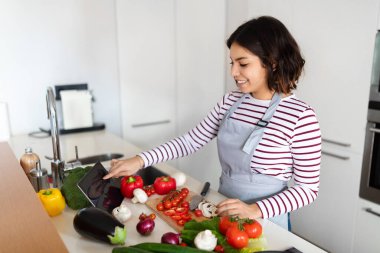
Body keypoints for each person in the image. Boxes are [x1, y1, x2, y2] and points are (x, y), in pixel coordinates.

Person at [103, 16, 321, 230]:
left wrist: (254, 209)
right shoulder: (230, 102)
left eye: (243, 63)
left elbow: (308, 188)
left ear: (272, 63)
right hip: (222, 208)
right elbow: (190, 141)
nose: (233, 72)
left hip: (267, 221)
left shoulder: (300, 116)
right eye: (232, 63)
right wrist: (141, 160)